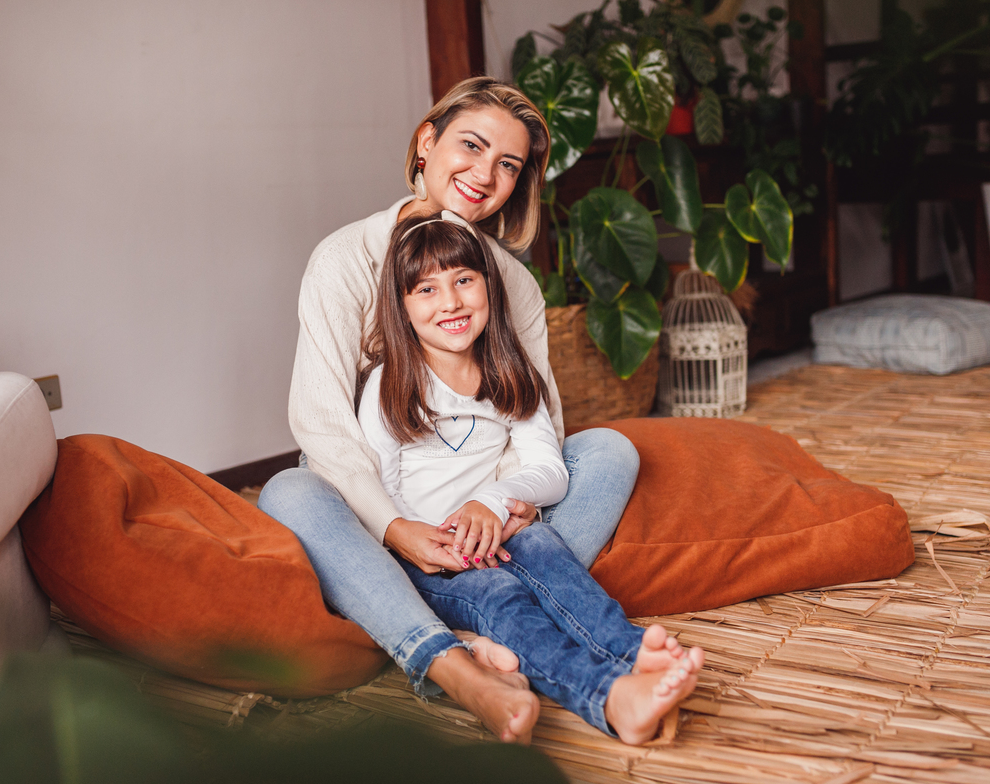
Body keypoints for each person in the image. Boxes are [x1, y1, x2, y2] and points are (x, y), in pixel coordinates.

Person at [257, 77, 657, 743]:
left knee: (608, 451)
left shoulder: (515, 286)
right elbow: (325, 427)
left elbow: (535, 426)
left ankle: (480, 618)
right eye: (472, 146)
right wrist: (394, 528)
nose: (485, 174)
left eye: (509, 164)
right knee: (289, 490)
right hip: (377, 494)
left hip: (488, 508)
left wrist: (497, 504)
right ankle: (449, 658)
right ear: (425, 143)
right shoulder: (342, 260)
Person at [355, 211, 703, 743]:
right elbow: (375, 491)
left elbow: (548, 469)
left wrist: (496, 502)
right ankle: (607, 696)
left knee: (544, 545)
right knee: (499, 594)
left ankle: (632, 653)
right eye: (426, 288)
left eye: (463, 280)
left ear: (488, 288)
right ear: (401, 307)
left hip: (500, 534)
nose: (449, 302)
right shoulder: (388, 385)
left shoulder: (511, 370)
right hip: (426, 561)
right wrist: (427, 540)